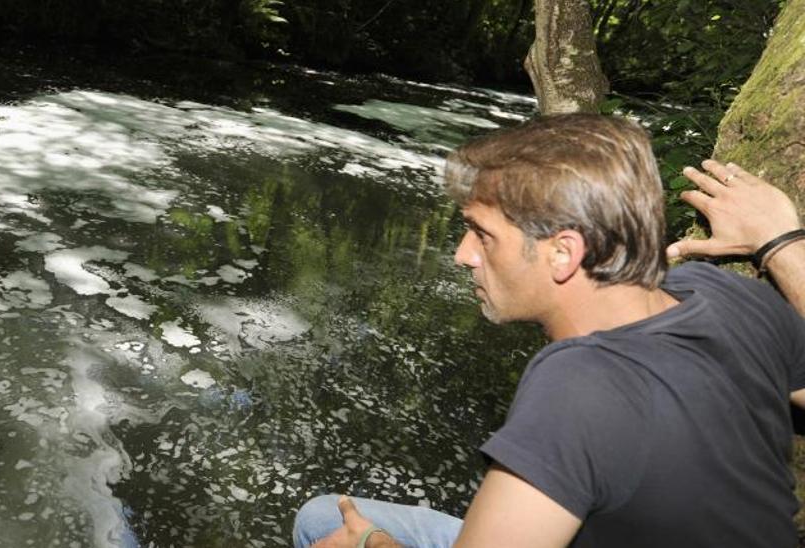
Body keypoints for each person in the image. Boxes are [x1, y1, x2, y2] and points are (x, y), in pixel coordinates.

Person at [292, 114, 805, 548]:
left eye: (482, 234)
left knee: (330, 527)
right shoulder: (727, 294)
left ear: (563, 252)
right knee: (325, 516)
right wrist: (782, 243)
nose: (462, 255)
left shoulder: (580, 386)